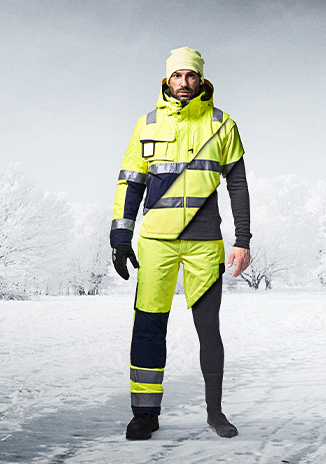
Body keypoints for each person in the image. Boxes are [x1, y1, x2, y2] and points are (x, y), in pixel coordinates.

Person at [110, 47, 251, 440]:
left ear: (201, 80)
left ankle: (215, 412)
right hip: (157, 241)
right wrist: (121, 236)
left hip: (206, 243)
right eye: (177, 76)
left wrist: (243, 239)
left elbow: (237, 185)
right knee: (149, 327)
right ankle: (145, 414)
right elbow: (130, 182)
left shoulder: (223, 125)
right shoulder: (146, 124)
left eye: (191, 76)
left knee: (209, 329)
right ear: (166, 80)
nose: (184, 84)